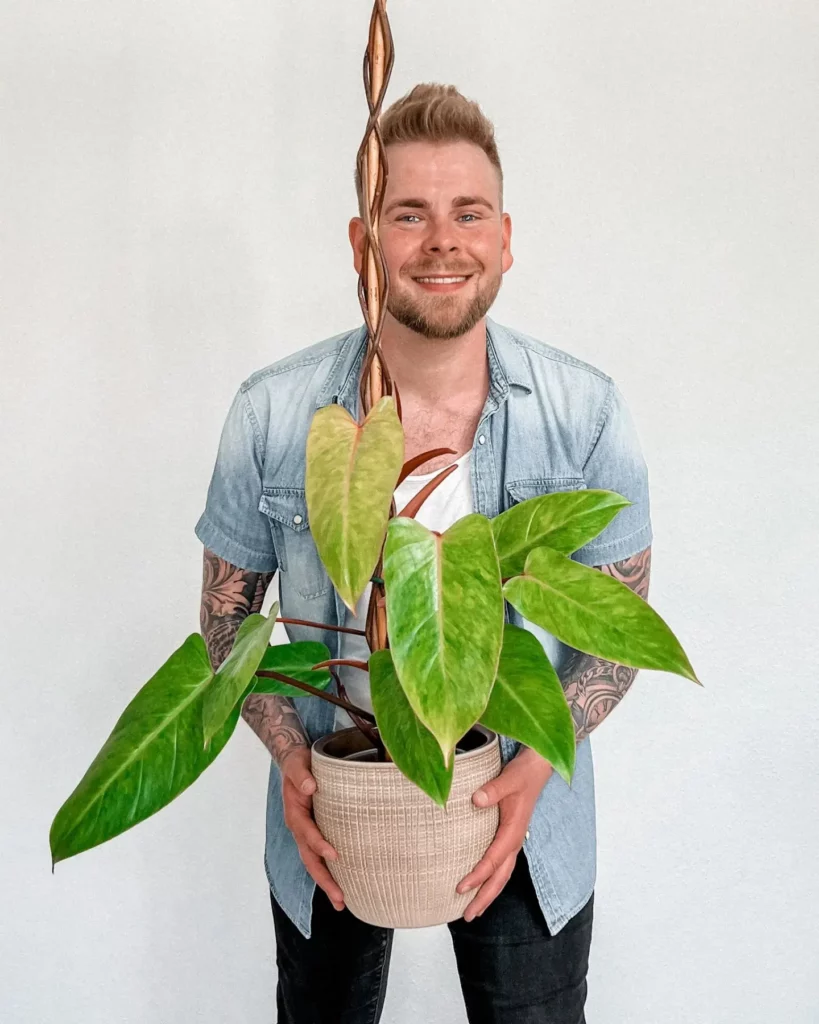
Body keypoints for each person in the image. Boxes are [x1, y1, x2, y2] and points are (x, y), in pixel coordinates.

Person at [196, 83, 653, 1024]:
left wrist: (531, 767)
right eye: (409, 215)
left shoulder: (583, 414)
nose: (442, 241)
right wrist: (292, 755)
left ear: (504, 238)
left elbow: (618, 628)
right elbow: (227, 619)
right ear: (364, 246)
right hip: (336, 795)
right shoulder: (279, 414)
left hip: (518, 811)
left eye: (466, 214)